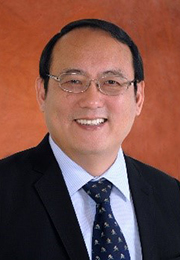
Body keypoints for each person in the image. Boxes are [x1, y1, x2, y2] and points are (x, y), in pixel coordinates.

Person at [0, 19, 180, 260]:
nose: (92, 101)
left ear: (138, 97)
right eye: (73, 81)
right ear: (42, 92)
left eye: (112, 82)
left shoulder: (173, 197)